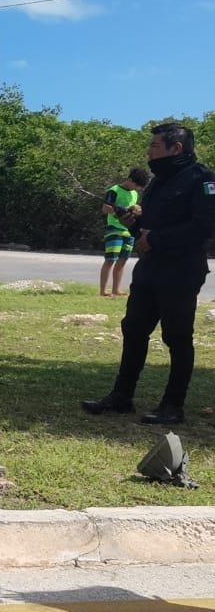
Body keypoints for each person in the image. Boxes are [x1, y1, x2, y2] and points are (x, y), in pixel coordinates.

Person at [82, 123, 215, 425]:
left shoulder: (202, 179)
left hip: (181, 271)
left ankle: (173, 406)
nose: (149, 151)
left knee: (177, 337)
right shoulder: (158, 182)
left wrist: (155, 239)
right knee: (134, 329)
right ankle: (121, 397)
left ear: (176, 148)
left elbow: (204, 228)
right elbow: (148, 225)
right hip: (150, 269)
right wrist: (131, 223)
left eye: (155, 145)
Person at [99, 166, 150, 297]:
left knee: (123, 260)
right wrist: (123, 210)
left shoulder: (134, 193)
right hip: (114, 229)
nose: (137, 188)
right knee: (110, 259)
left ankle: (116, 289)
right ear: (129, 179)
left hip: (129, 230)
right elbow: (105, 208)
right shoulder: (114, 190)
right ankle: (103, 290)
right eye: (136, 184)